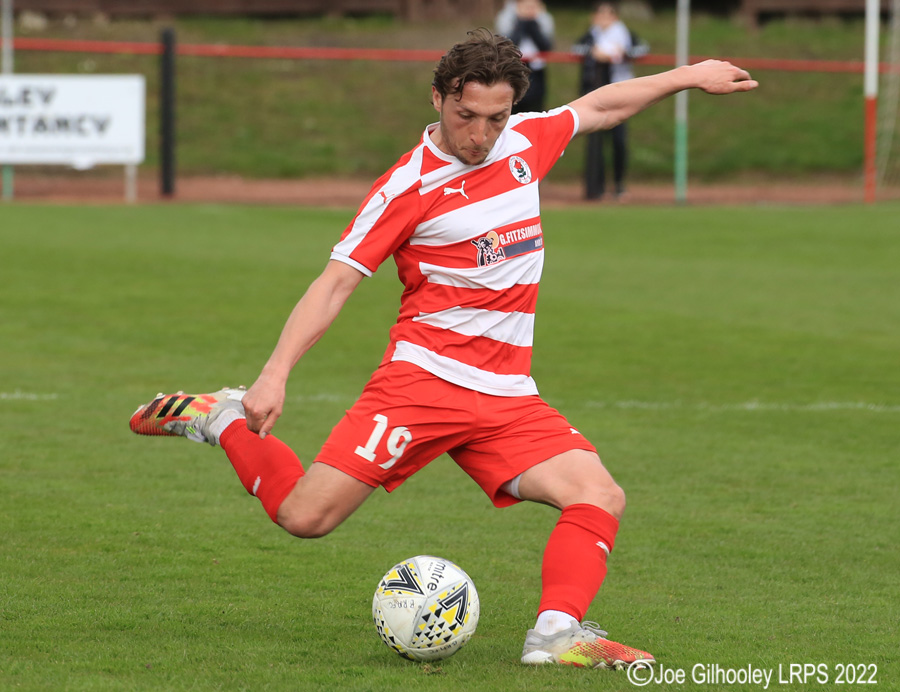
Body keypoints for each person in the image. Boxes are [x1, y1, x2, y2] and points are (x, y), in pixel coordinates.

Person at [130, 29, 756, 669]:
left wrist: (688, 74)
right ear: (437, 99)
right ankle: (224, 419)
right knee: (304, 516)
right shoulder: (408, 186)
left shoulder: (524, 146)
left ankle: (557, 635)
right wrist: (273, 375)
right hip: (422, 384)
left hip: (508, 393)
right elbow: (335, 283)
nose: (479, 134)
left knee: (599, 495)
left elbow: (601, 106)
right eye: (466, 116)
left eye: (495, 117)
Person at [573, 2, 647, 200]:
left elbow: (642, 49)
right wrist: (593, 52)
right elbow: (576, 48)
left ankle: (619, 185)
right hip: (596, 95)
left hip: (621, 92)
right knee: (595, 142)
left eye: (608, 14)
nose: (604, 18)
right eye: (600, 14)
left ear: (615, 16)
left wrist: (622, 53)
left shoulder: (624, 33)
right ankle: (596, 187)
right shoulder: (591, 35)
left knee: (619, 141)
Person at [495, 0, 554, 113]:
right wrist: (521, 23)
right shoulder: (506, 17)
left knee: (535, 107)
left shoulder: (544, 19)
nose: (529, 10)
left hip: (536, 71)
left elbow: (545, 46)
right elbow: (507, 45)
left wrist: (532, 25)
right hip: (511, 68)